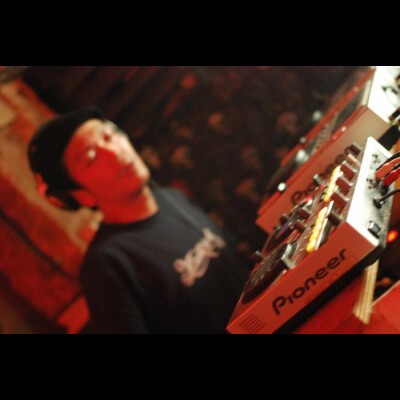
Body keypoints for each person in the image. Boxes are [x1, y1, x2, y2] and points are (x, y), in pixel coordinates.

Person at [27, 106, 250, 334]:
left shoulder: (173, 197)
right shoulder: (106, 264)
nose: (115, 151)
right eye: (91, 157)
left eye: (110, 135)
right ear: (80, 195)